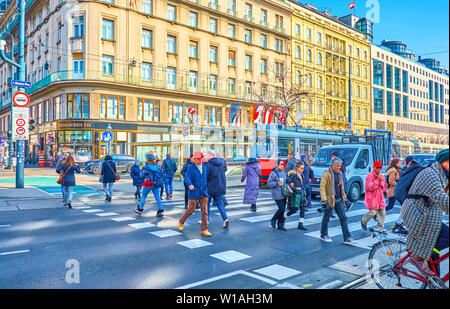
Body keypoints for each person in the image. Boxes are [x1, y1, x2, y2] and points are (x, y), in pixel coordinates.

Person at [401, 149, 449, 277]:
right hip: (417, 215)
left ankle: (433, 279)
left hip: (430, 215)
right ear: (445, 163)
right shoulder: (431, 175)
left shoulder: (444, 175)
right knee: (441, 239)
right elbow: (443, 199)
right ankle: (418, 256)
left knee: (436, 246)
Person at [319, 157, 357, 244]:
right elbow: (322, 187)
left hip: (339, 199)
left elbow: (341, 187)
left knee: (343, 217)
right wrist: (324, 199)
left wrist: (344, 198)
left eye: (340, 165)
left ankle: (347, 237)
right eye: (337, 166)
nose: (339, 167)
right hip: (329, 199)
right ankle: (323, 234)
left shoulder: (340, 173)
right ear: (332, 165)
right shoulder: (326, 174)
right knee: (326, 218)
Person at [178, 151, 211, 237]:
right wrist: (190, 185)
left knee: (204, 211)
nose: (198, 161)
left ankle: (204, 229)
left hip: (203, 192)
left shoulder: (204, 167)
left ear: (202, 159)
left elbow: (205, 178)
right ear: (194, 159)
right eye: (196, 159)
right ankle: (181, 221)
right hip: (194, 191)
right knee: (191, 210)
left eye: (199, 159)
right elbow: (188, 177)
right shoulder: (190, 168)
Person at [391, 156, 421, 234]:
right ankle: (399, 224)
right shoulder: (409, 171)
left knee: (406, 209)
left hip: (400, 193)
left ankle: (398, 224)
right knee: (408, 210)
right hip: (403, 194)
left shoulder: (404, 170)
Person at [360, 161, 388, 231]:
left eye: (380, 168)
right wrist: (378, 180)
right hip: (372, 198)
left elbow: (384, 187)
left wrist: (381, 181)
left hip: (380, 197)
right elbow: (369, 187)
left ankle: (380, 229)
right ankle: (364, 221)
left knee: (382, 214)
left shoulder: (381, 175)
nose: (379, 169)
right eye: (377, 168)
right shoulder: (370, 175)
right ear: (374, 167)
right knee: (372, 213)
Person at [205, 150, 229, 228]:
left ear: (210, 155)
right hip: (220, 187)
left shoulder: (209, 165)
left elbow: (205, 176)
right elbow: (225, 170)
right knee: (219, 204)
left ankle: (206, 221)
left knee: (207, 204)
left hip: (210, 188)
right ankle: (225, 219)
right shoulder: (221, 163)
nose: (206, 157)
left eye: (207, 155)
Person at [286, 163, 308, 230]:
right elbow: (289, 184)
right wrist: (295, 188)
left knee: (303, 209)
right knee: (294, 210)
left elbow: (303, 186)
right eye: (301, 168)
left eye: (303, 168)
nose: (303, 169)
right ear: (297, 168)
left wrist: (304, 192)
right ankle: (283, 218)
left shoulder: (302, 176)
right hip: (295, 195)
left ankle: (300, 224)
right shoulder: (292, 175)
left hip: (302, 195)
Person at [267, 159, 288, 231]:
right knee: (281, 208)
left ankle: (280, 225)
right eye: (281, 164)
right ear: (277, 165)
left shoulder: (284, 173)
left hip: (284, 193)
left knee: (282, 210)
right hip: (276, 194)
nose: (283, 166)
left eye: (283, 164)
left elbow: (286, 182)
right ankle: (273, 219)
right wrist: (276, 183)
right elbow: (268, 183)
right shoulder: (273, 173)